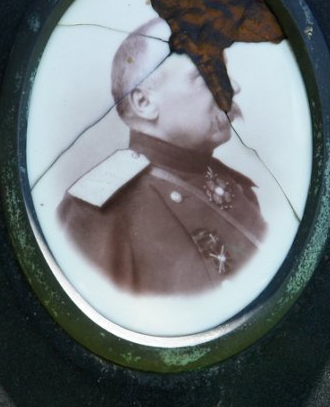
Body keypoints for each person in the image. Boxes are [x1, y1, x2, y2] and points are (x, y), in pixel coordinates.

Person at [57, 18, 267, 295]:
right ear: (144, 103)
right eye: (205, 75)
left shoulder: (234, 186)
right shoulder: (97, 214)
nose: (233, 86)